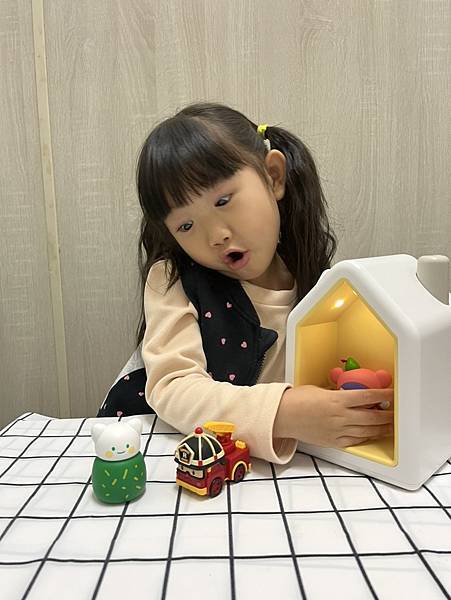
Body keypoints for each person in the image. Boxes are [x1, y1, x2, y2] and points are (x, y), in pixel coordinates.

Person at [102, 101, 393, 464]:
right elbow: (173, 389)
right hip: (151, 451)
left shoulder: (318, 282)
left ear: (274, 176)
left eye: (223, 200)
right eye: (186, 226)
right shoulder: (173, 278)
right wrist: (286, 412)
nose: (216, 236)